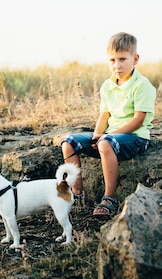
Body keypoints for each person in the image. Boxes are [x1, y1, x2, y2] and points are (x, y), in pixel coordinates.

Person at [61, 32, 156, 217]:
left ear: (135, 59)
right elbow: (104, 115)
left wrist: (106, 138)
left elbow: (138, 120)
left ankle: (110, 197)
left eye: (122, 59)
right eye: (112, 60)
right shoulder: (108, 85)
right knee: (68, 142)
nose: (117, 65)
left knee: (105, 143)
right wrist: (97, 135)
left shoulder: (142, 85)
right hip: (110, 137)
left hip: (135, 137)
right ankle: (77, 194)